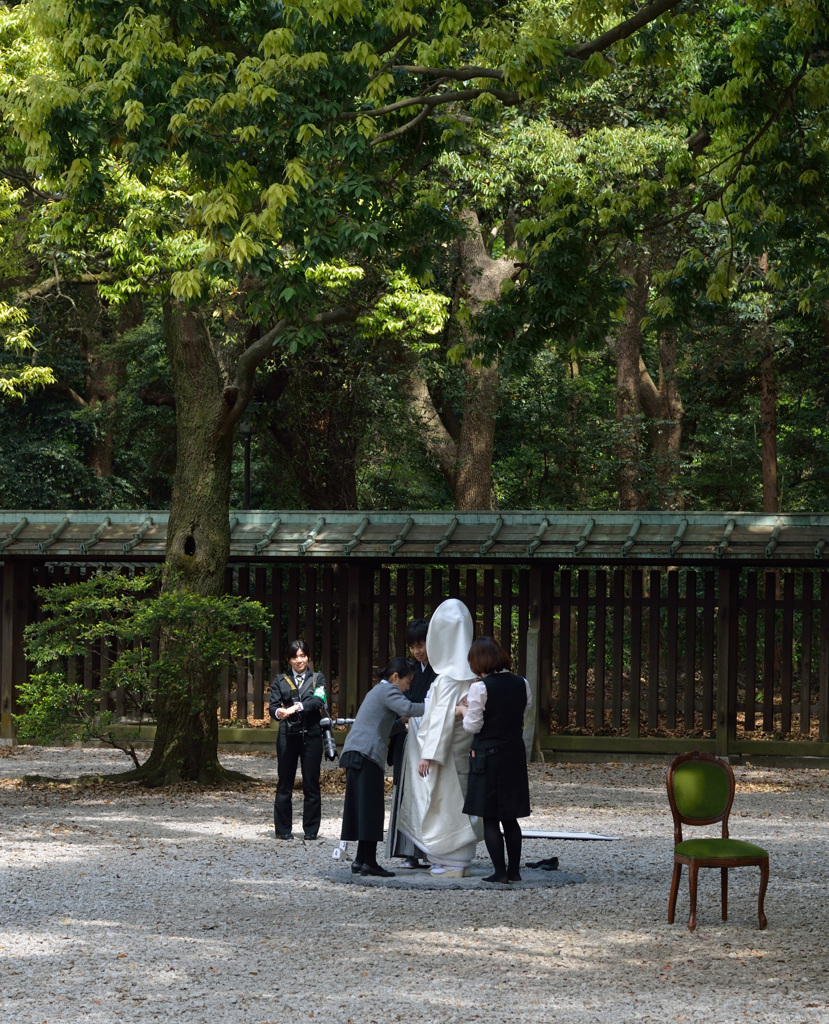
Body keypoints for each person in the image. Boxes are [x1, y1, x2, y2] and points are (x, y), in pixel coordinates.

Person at [397, 598, 482, 878]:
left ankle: (450, 860)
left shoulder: (446, 679)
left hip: (442, 752)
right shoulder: (472, 675)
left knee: (443, 801)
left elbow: (438, 719)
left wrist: (427, 753)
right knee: (460, 800)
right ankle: (460, 860)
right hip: (462, 749)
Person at [340, 658, 425, 877]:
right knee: (370, 810)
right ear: (395, 677)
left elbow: (383, 726)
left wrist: (401, 725)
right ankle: (369, 861)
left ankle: (361, 860)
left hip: (355, 752)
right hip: (366, 754)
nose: (408, 688)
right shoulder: (388, 691)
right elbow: (409, 707)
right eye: (407, 682)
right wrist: (439, 706)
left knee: (362, 809)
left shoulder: (376, 691)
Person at [459, 637, 532, 884]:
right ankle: (514, 870)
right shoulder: (522, 683)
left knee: (490, 816)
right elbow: (522, 712)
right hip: (513, 753)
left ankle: (499, 872)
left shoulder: (480, 688)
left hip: (487, 756)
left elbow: (472, 725)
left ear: (479, 661)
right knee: (510, 816)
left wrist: (462, 710)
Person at [386, 618, 436, 869]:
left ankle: (432, 851)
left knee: (427, 795)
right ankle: (409, 852)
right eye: (413, 645)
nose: (417, 650)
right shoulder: (410, 670)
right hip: (407, 739)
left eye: (422, 644)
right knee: (405, 794)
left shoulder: (440, 670)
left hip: (428, 741)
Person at [269, 640, 328, 841]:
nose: (299, 660)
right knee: (285, 781)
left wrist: (297, 707)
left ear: (308, 657)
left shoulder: (318, 678)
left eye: (303, 655)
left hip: (311, 734)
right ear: (289, 659)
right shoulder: (280, 680)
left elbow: (319, 700)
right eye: (295, 656)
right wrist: (280, 712)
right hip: (287, 734)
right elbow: (272, 706)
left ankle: (311, 830)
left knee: (311, 782)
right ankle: (283, 829)